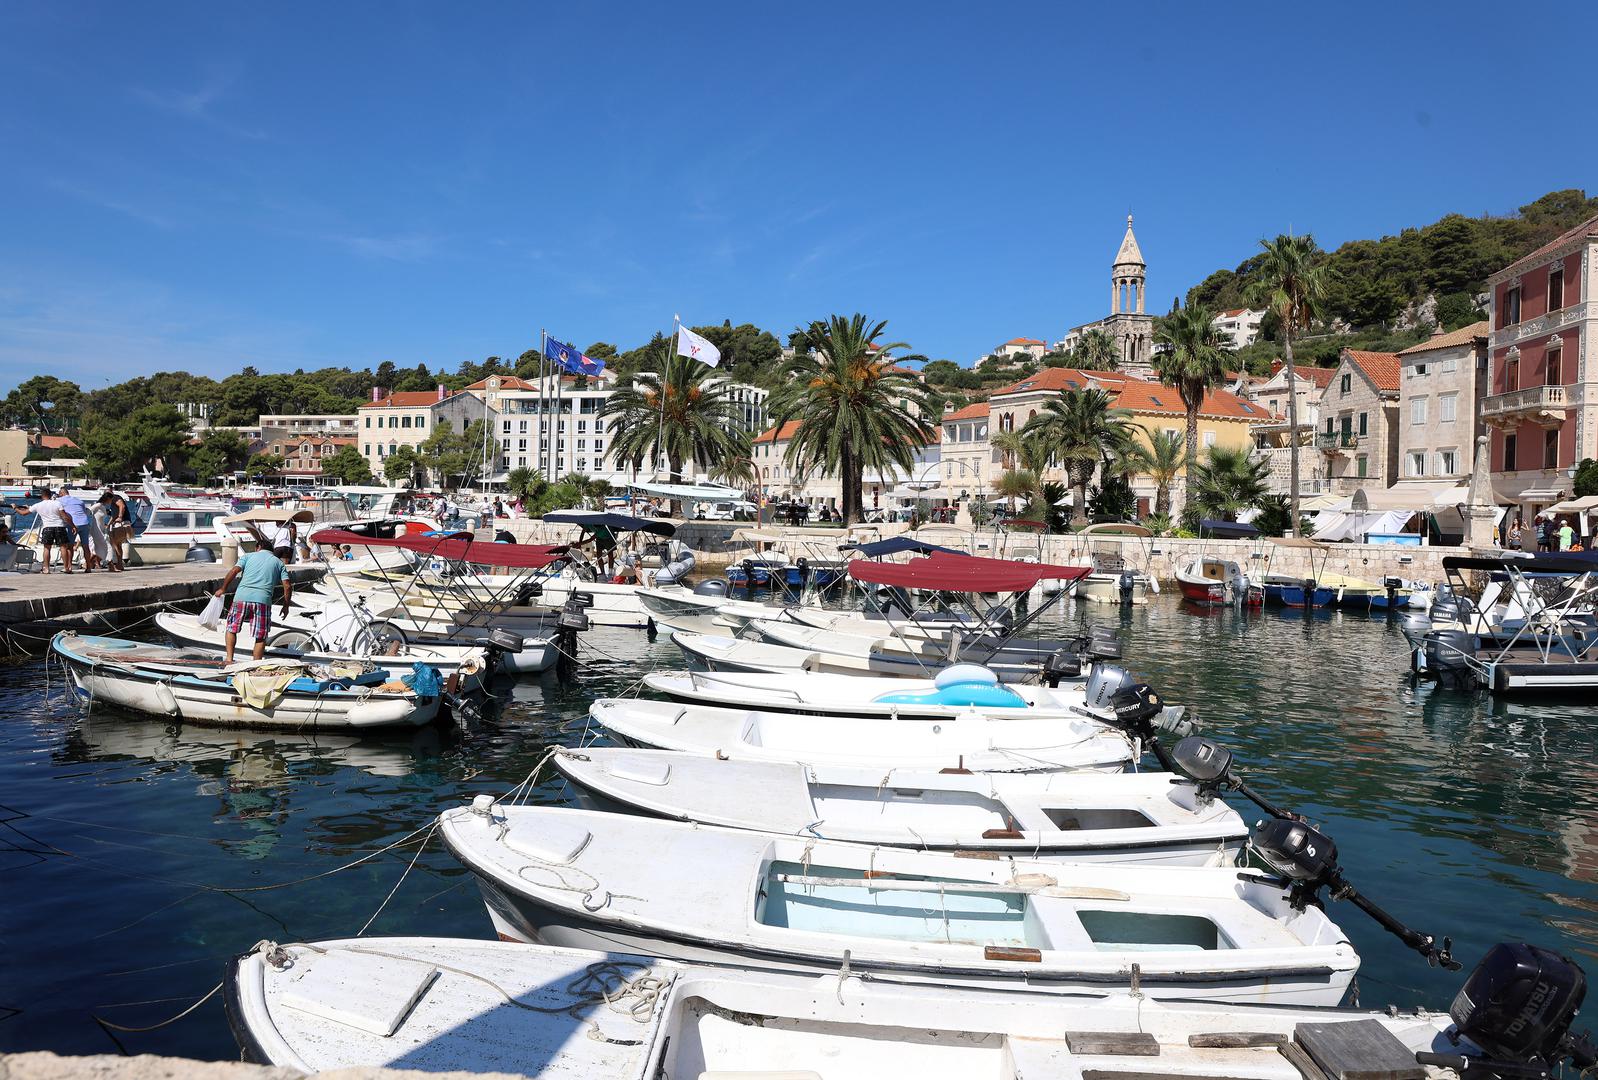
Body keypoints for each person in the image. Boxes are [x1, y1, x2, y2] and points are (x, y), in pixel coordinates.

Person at [213, 544, 293, 664]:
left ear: (258, 547)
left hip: (241, 597)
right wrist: (286, 606)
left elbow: (234, 571)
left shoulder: (248, 556)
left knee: (231, 629)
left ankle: (229, 659)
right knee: (260, 636)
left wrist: (223, 588)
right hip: (263, 601)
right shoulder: (279, 563)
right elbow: (287, 585)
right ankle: (255, 664)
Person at [33, 489, 73, 573]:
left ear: (42, 495)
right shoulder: (57, 503)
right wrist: (73, 526)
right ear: (50, 495)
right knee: (63, 547)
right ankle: (66, 568)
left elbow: (24, 513)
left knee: (47, 548)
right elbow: (65, 517)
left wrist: (15, 508)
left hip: (47, 527)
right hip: (59, 526)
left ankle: (46, 569)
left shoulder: (38, 505)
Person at [56, 489, 97, 570]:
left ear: (61, 494)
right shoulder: (79, 500)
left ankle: (69, 567)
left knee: (70, 546)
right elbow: (84, 511)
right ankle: (88, 567)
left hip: (73, 524)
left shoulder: (59, 500)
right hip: (85, 523)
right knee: (85, 546)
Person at [97, 490, 132, 571]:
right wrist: (108, 525)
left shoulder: (115, 498)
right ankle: (119, 564)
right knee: (117, 544)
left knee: (116, 544)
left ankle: (118, 563)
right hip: (121, 522)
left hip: (122, 522)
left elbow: (122, 506)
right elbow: (113, 516)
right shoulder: (113, 502)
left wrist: (120, 517)